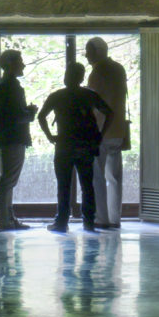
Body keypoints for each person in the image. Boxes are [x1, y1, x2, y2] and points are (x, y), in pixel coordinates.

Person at [37, 61, 111, 233]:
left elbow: (41, 116)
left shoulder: (57, 96)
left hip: (64, 145)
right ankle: (89, 222)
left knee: (63, 185)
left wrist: (50, 136)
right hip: (86, 145)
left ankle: (61, 222)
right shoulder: (89, 95)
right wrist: (100, 134)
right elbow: (110, 113)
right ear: (82, 77)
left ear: (67, 76)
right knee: (87, 184)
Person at [84, 36, 130, 229]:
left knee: (97, 176)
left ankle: (101, 218)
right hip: (118, 128)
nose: (86, 55)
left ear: (97, 52)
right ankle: (115, 218)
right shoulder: (119, 68)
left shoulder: (97, 72)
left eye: (88, 51)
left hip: (100, 130)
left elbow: (92, 102)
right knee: (115, 177)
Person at [0, 48, 34, 230]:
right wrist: (30, 113)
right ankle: (5, 220)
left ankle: (7, 219)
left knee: (8, 179)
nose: (23, 64)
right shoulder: (11, 86)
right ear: (11, 65)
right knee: (8, 180)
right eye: (20, 61)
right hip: (13, 138)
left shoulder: (2, 85)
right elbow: (15, 117)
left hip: (6, 138)